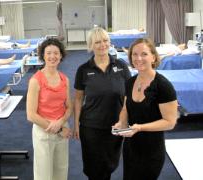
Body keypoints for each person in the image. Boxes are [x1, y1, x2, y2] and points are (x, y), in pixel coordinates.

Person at [113, 38, 178, 180]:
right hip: (131, 147)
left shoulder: (163, 86)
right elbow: (125, 108)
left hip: (152, 150)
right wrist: (121, 123)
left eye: (144, 54)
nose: (139, 58)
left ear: (153, 57)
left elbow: (170, 122)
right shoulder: (130, 82)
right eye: (134, 54)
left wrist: (140, 127)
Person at [74, 27, 131, 180]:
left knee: (110, 165)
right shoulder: (83, 70)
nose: (102, 45)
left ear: (110, 42)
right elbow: (78, 99)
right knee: (94, 168)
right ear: (91, 45)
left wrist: (124, 119)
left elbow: (128, 95)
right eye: (97, 42)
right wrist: (75, 124)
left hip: (116, 126)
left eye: (105, 40)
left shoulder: (121, 66)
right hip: (91, 127)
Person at [26, 38, 72, 180]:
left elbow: (69, 107)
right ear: (43, 56)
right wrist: (57, 128)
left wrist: (62, 122)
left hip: (62, 129)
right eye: (49, 53)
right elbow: (31, 115)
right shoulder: (36, 80)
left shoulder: (65, 79)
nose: (53, 56)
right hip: (43, 131)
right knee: (43, 175)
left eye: (56, 53)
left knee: (61, 171)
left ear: (61, 56)